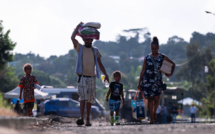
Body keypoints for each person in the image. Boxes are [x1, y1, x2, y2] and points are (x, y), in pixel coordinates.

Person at [71, 22, 109, 126]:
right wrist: (77, 27)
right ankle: (81, 117)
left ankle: (87, 118)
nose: (87, 40)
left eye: (89, 39)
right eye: (86, 39)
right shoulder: (80, 48)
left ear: (92, 39)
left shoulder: (95, 50)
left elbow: (100, 64)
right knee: (82, 97)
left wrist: (106, 74)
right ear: (83, 39)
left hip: (92, 77)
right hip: (82, 76)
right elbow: (72, 38)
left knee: (90, 99)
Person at [138, 36, 175, 124]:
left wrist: (170, 73)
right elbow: (143, 70)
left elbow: (173, 64)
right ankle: (151, 118)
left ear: (158, 48)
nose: (153, 50)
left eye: (155, 48)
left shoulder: (162, 57)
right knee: (150, 99)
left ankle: (154, 113)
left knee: (157, 99)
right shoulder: (147, 58)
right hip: (147, 81)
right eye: (152, 48)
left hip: (157, 81)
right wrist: (139, 82)